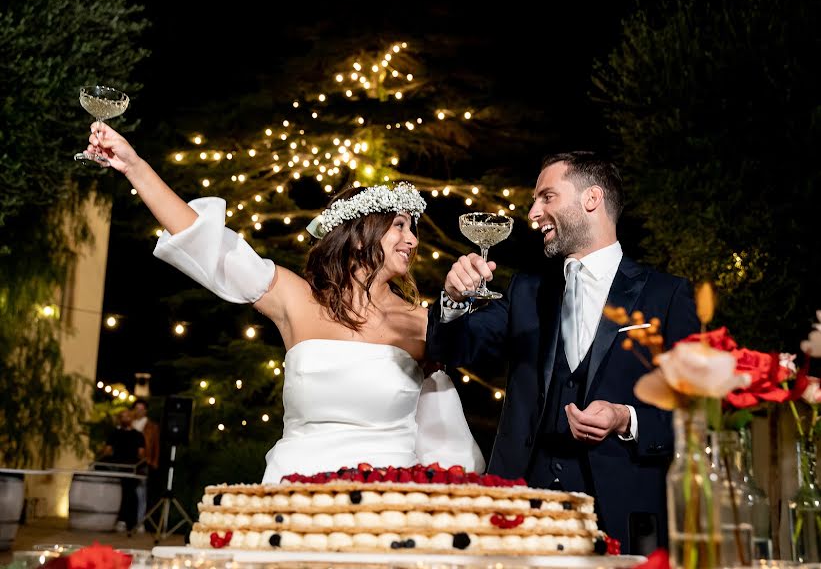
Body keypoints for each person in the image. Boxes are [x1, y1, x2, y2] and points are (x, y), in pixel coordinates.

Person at [85, 123, 484, 484]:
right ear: (360, 235)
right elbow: (204, 242)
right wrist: (134, 166)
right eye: (399, 226)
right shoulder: (295, 298)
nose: (413, 239)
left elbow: (445, 435)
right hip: (291, 491)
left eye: (413, 229)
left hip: (385, 506)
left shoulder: (424, 323)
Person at [426, 151, 699, 554]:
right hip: (522, 513)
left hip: (624, 518)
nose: (533, 212)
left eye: (547, 197)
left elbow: (696, 410)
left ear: (592, 199)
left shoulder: (668, 295)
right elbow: (454, 347)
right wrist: (451, 301)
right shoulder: (527, 290)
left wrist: (627, 418)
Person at [102, 409, 145, 533]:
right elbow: (107, 450)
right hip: (117, 469)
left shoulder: (138, 435)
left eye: (128, 416)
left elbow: (141, 453)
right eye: (123, 417)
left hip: (132, 469)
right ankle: (120, 520)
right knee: (119, 494)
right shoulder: (115, 433)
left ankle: (132, 522)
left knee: (131, 494)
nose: (126, 419)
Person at [130, 399, 159, 533]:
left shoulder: (151, 427)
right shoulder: (130, 424)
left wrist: (153, 461)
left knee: (141, 492)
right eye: (137, 408)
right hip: (130, 461)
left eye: (141, 409)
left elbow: (155, 445)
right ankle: (127, 521)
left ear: (145, 410)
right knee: (129, 492)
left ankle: (140, 521)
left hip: (143, 462)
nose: (139, 411)